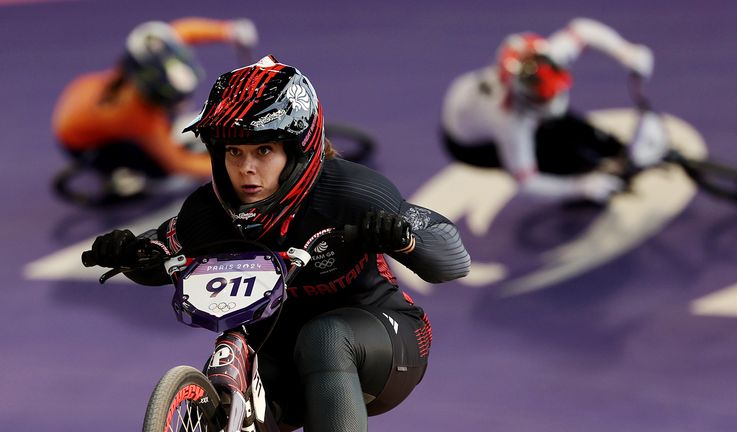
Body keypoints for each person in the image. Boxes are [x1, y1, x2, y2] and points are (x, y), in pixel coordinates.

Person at [85, 55, 471, 431]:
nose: (245, 169)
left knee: (324, 337)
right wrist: (129, 253)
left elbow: (453, 261)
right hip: (280, 353)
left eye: (263, 151)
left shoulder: (351, 192)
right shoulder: (207, 210)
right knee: (225, 378)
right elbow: (160, 255)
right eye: (233, 152)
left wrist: (403, 240)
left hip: (385, 342)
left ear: (298, 151)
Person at [441, 17, 654, 203]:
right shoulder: (509, 123)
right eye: (543, 100)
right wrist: (580, 188)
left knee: (569, 127)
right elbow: (527, 181)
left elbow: (584, 30)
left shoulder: (544, 60)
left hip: (470, 105)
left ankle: (609, 151)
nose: (553, 103)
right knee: (556, 161)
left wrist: (626, 52)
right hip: (469, 145)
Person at [51, 17, 258, 203]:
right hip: (82, 142)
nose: (182, 105)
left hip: (81, 98)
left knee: (167, 129)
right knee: (160, 172)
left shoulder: (154, 55)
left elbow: (183, 32)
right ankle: (125, 176)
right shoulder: (136, 117)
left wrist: (227, 30)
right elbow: (176, 164)